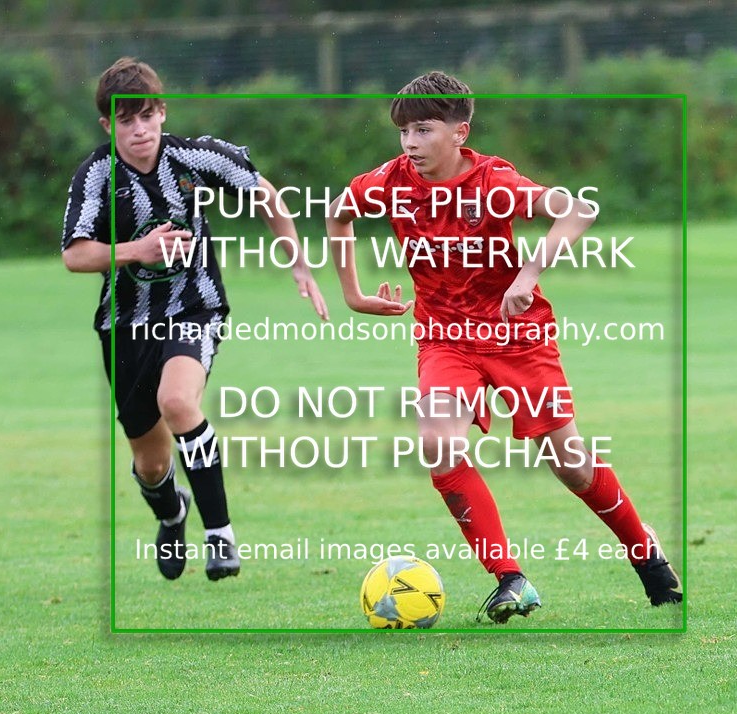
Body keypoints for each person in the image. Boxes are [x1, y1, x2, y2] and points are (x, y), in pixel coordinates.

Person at [326, 71, 681, 622]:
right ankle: (510, 577)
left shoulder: (493, 182)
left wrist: (528, 272)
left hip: (517, 337)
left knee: (570, 465)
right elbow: (339, 211)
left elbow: (578, 211)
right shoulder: (390, 181)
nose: (410, 144)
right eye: (404, 133)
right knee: (439, 445)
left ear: (459, 132)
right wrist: (352, 295)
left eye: (423, 130)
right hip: (445, 339)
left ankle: (645, 551)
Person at [61, 57, 328, 582]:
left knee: (178, 401)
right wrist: (138, 249)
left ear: (162, 112)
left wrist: (298, 261)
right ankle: (171, 512)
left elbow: (264, 193)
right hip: (125, 325)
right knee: (151, 464)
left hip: (194, 307)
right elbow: (75, 254)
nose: (138, 130)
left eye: (146, 116)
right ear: (107, 126)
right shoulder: (96, 174)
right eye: (125, 120)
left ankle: (220, 535)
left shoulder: (194, 157)